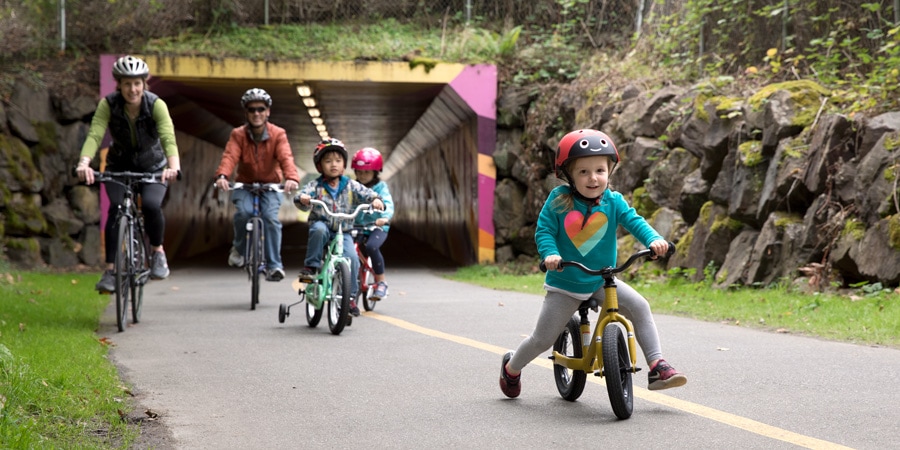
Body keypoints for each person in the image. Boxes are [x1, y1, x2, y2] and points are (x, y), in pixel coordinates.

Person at [499, 128, 687, 398]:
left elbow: (635, 222)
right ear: (569, 175)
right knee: (543, 339)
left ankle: (658, 365)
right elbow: (544, 231)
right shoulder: (559, 201)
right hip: (566, 283)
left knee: (640, 307)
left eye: (599, 170)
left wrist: (654, 240)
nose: (593, 178)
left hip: (602, 279)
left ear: (610, 171)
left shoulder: (613, 201)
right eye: (583, 171)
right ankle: (512, 367)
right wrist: (550, 255)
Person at [75, 55, 181, 293]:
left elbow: (168, 138)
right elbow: (95, 135)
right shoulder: (109, 104)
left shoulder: (156, 105)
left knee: (152, 205)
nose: (132, 89)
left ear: (144, 84)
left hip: (152, 166)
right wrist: (84, 163)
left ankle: (157, 253)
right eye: (126, 84)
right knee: (115, 209)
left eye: (137, 83)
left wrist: (173, 166)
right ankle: (111, 271)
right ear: (119, 85)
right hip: (118, 166)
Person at [214, 88, 300, 282]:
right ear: (246, 113)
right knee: (243, 213)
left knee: (270, 218)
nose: (256, 113)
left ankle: (274, 266)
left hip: (270, 185)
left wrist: (292, 177)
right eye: (251, 109)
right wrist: (222, 175)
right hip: (245, 184)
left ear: (268, 111)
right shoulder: (238, 134)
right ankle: (239, 249)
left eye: (261, 109)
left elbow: (286, 157)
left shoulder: (278, 134)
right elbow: (230, 156)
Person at [294, 138, 384, 316]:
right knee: (318, 230)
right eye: (328, 161)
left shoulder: (351, 185)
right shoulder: (316, 185)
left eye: (338, 161)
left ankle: (349, 298)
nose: (333, 165)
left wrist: (375, 199)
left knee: (352, 258)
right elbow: (302, 195)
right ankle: (311, 267)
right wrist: (303, 199)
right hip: (323, 224)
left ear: (344, 165)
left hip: (344, 231)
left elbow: (366, 193)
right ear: (320, 166)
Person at [351, 147, 394, 300]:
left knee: (371, 246)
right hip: (356, 226)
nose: (362, 176)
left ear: (375, 172)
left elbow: (387, 203)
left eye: (366, 172)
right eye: (359, 172)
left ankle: (381, 282)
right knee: (346, 248)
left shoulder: (381, 188)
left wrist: (384, 216)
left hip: (377, 226)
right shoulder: (351, 187)